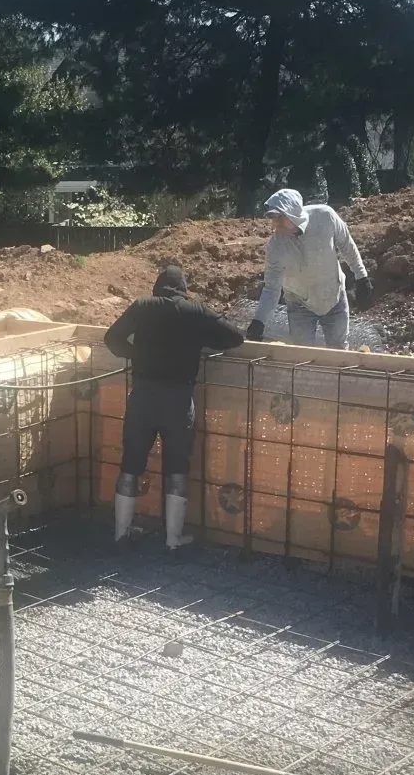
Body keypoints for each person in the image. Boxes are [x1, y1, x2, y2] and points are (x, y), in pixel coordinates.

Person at [103, 263, 244, 549]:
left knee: (130, 465)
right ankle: (173, 539)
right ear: (183, 289)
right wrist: (199, 340)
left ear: (157, 287)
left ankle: (121, 533)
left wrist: (138, 355)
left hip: (143, 397)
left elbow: (112, 338)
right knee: (177, 469)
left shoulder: (143, 306)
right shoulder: (196, 311)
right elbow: (235, 337)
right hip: (179, 401)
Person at [248, 188, 373, 348]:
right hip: (299, 304)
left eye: (279, 218)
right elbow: (272, 288)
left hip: (333, 297)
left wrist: (361, 277)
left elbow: (347, 245)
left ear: (293, 214)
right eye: (273, 218)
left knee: (339, 350)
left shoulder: (325, 217)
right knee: (302, 353)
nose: (274, 224)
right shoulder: (276, 246)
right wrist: (259, 321)